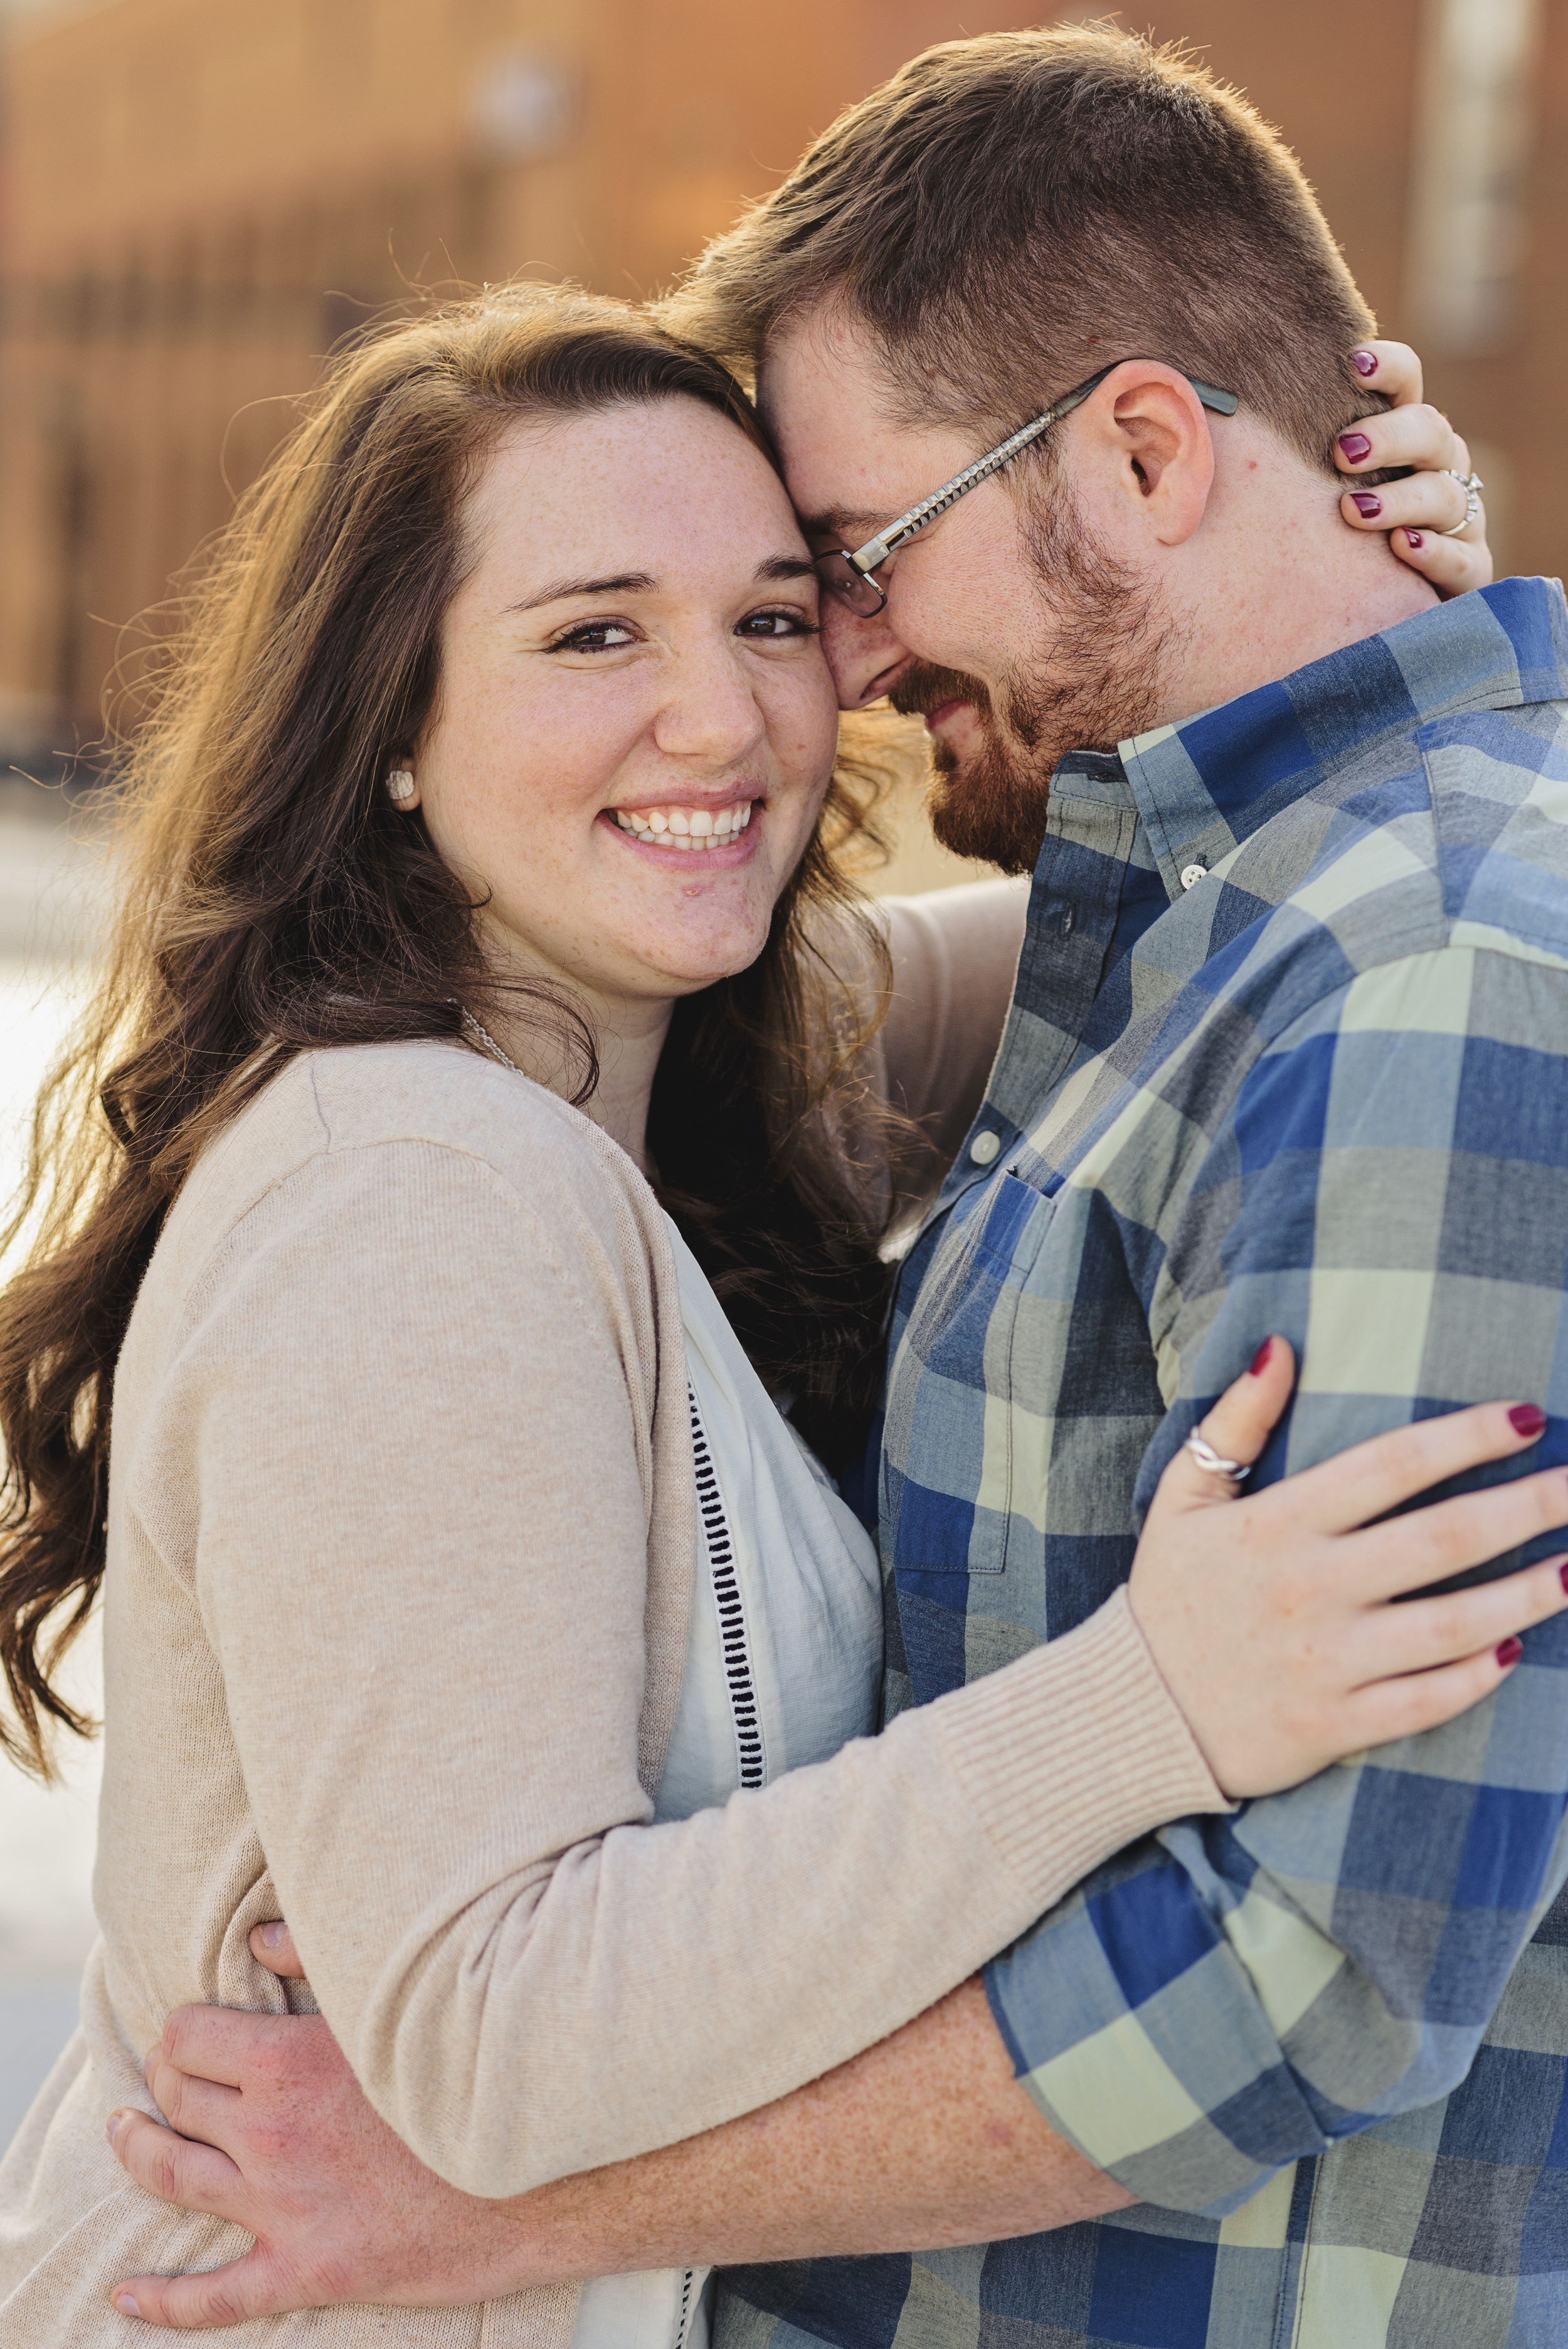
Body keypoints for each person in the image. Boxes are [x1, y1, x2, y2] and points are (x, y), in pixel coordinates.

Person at [91, 25, 1568, 2349]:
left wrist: (1413, 657)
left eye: (803, 591)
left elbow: (1286, 896)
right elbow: (489, 2030)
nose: (801, 693)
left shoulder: (715, 1075)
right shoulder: (418, 1186)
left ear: (1150, 449)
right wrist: (1145, 1698)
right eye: (593, 632)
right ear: (388, 724)